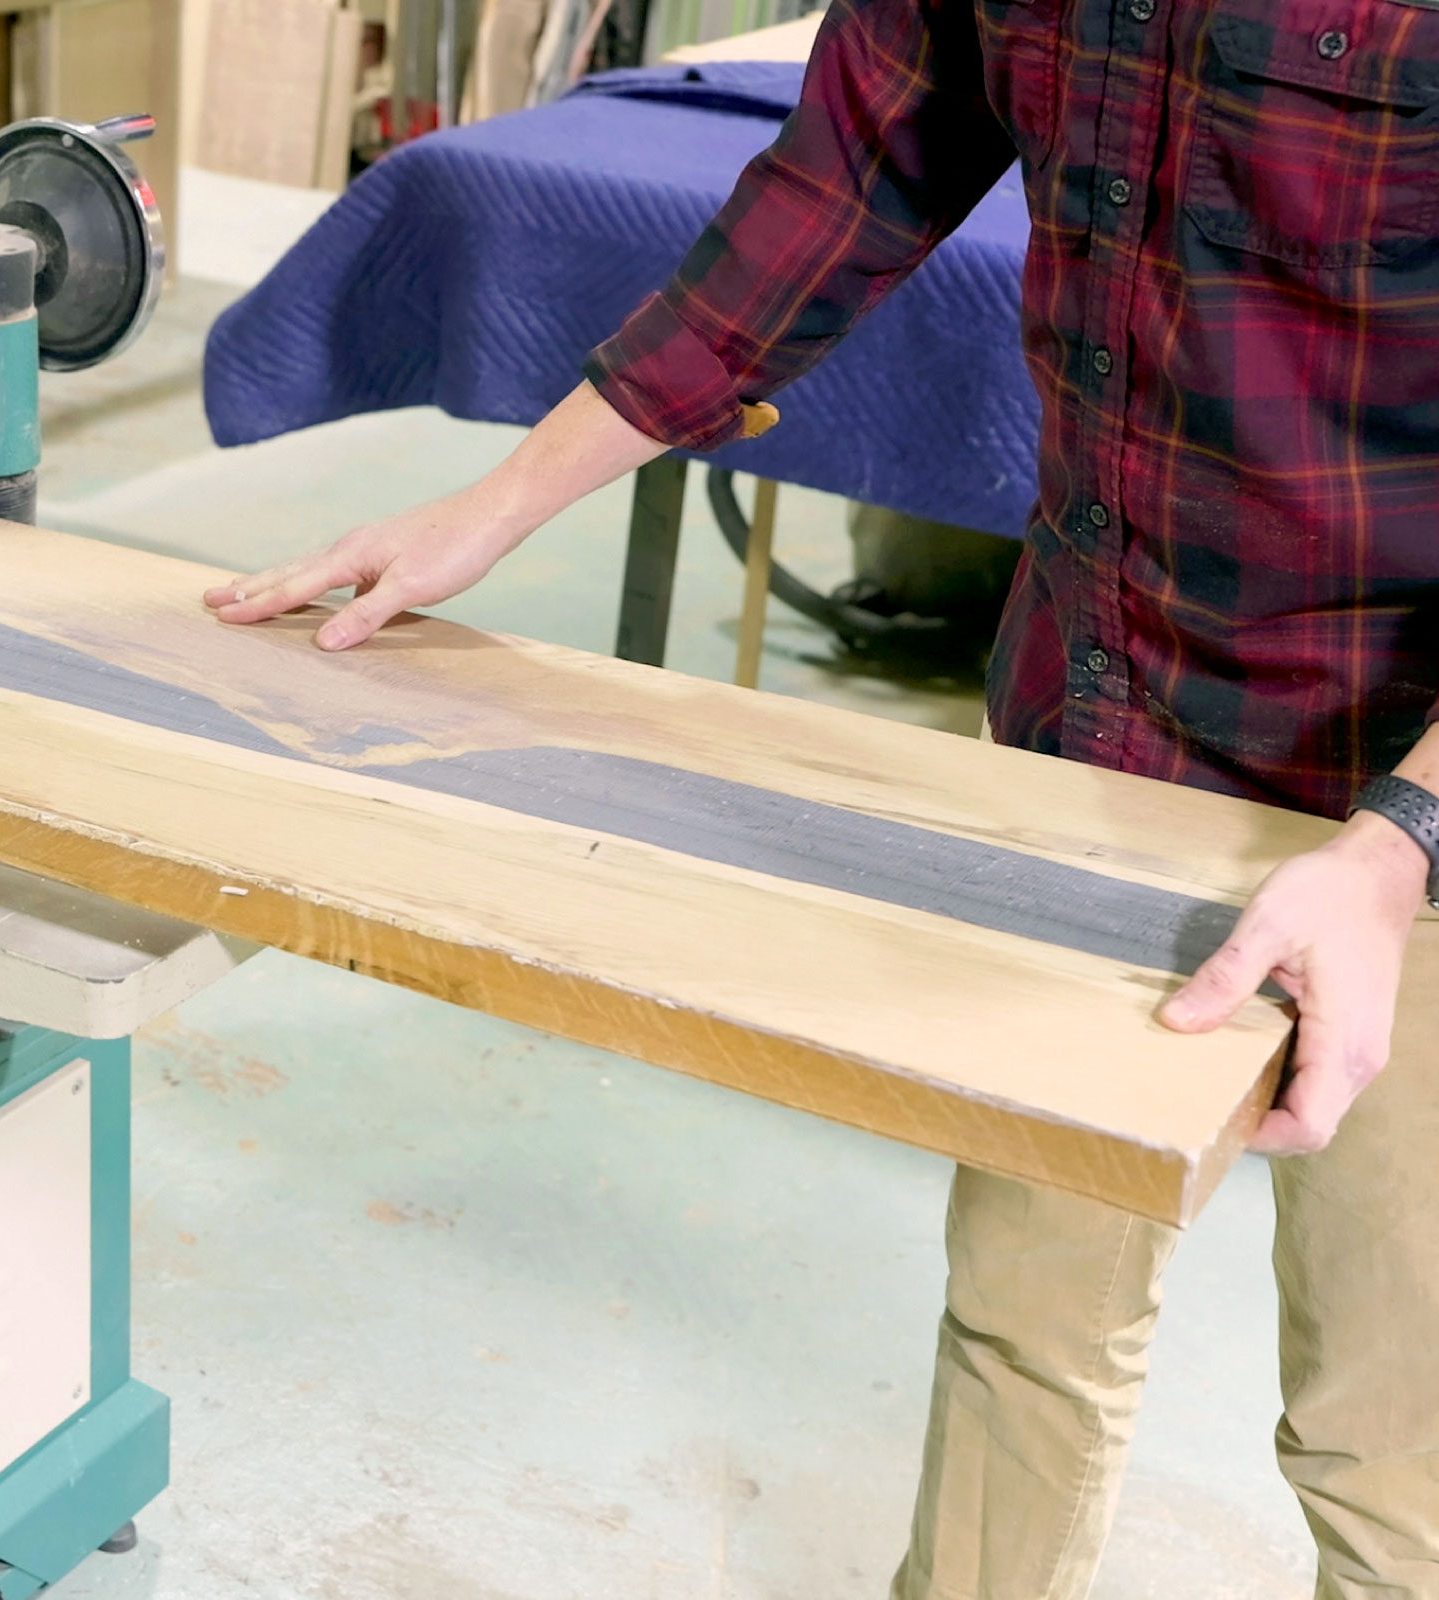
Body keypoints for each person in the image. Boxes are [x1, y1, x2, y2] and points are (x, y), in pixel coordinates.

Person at [202, 2, 1439, 1593]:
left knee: (1388, 1432)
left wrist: (1397, 846)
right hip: (1100, 721)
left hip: (1397, 791)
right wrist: (495, 507)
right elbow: (843, 183)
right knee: (1027, 1321)